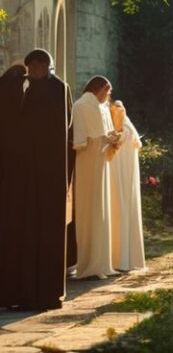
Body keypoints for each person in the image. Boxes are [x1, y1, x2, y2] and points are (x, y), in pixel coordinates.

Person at [0, 51, 72, 309]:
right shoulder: (19, 87)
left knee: (46, 234)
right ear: (28, 65)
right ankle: (17, 292)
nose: (38, 68)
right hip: (21, 175)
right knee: (19, 232)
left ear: (49, 66)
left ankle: (45, 293)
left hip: (48, 176)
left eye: (42, 64)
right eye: (33, 64)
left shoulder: (58, 89)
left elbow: (66, 127)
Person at [73, 75, 120, 280]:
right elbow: (83, 139)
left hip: (100, 161)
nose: (107, 96)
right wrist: (104, 139)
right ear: (99, 89)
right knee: (90, 207)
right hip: (89, 159)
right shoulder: (82, 105)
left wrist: (112, 138)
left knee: (101, 208)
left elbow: (106, 132)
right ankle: (89, 263)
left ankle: (101, 261)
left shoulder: (101, 106)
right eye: (106, 92)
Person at [108, 100, 145, 271]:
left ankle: (121, 257)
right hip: (117, 177)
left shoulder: (126, 130)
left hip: (122, 178)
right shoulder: (125, 130)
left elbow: (123, 138)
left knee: (122, 209)